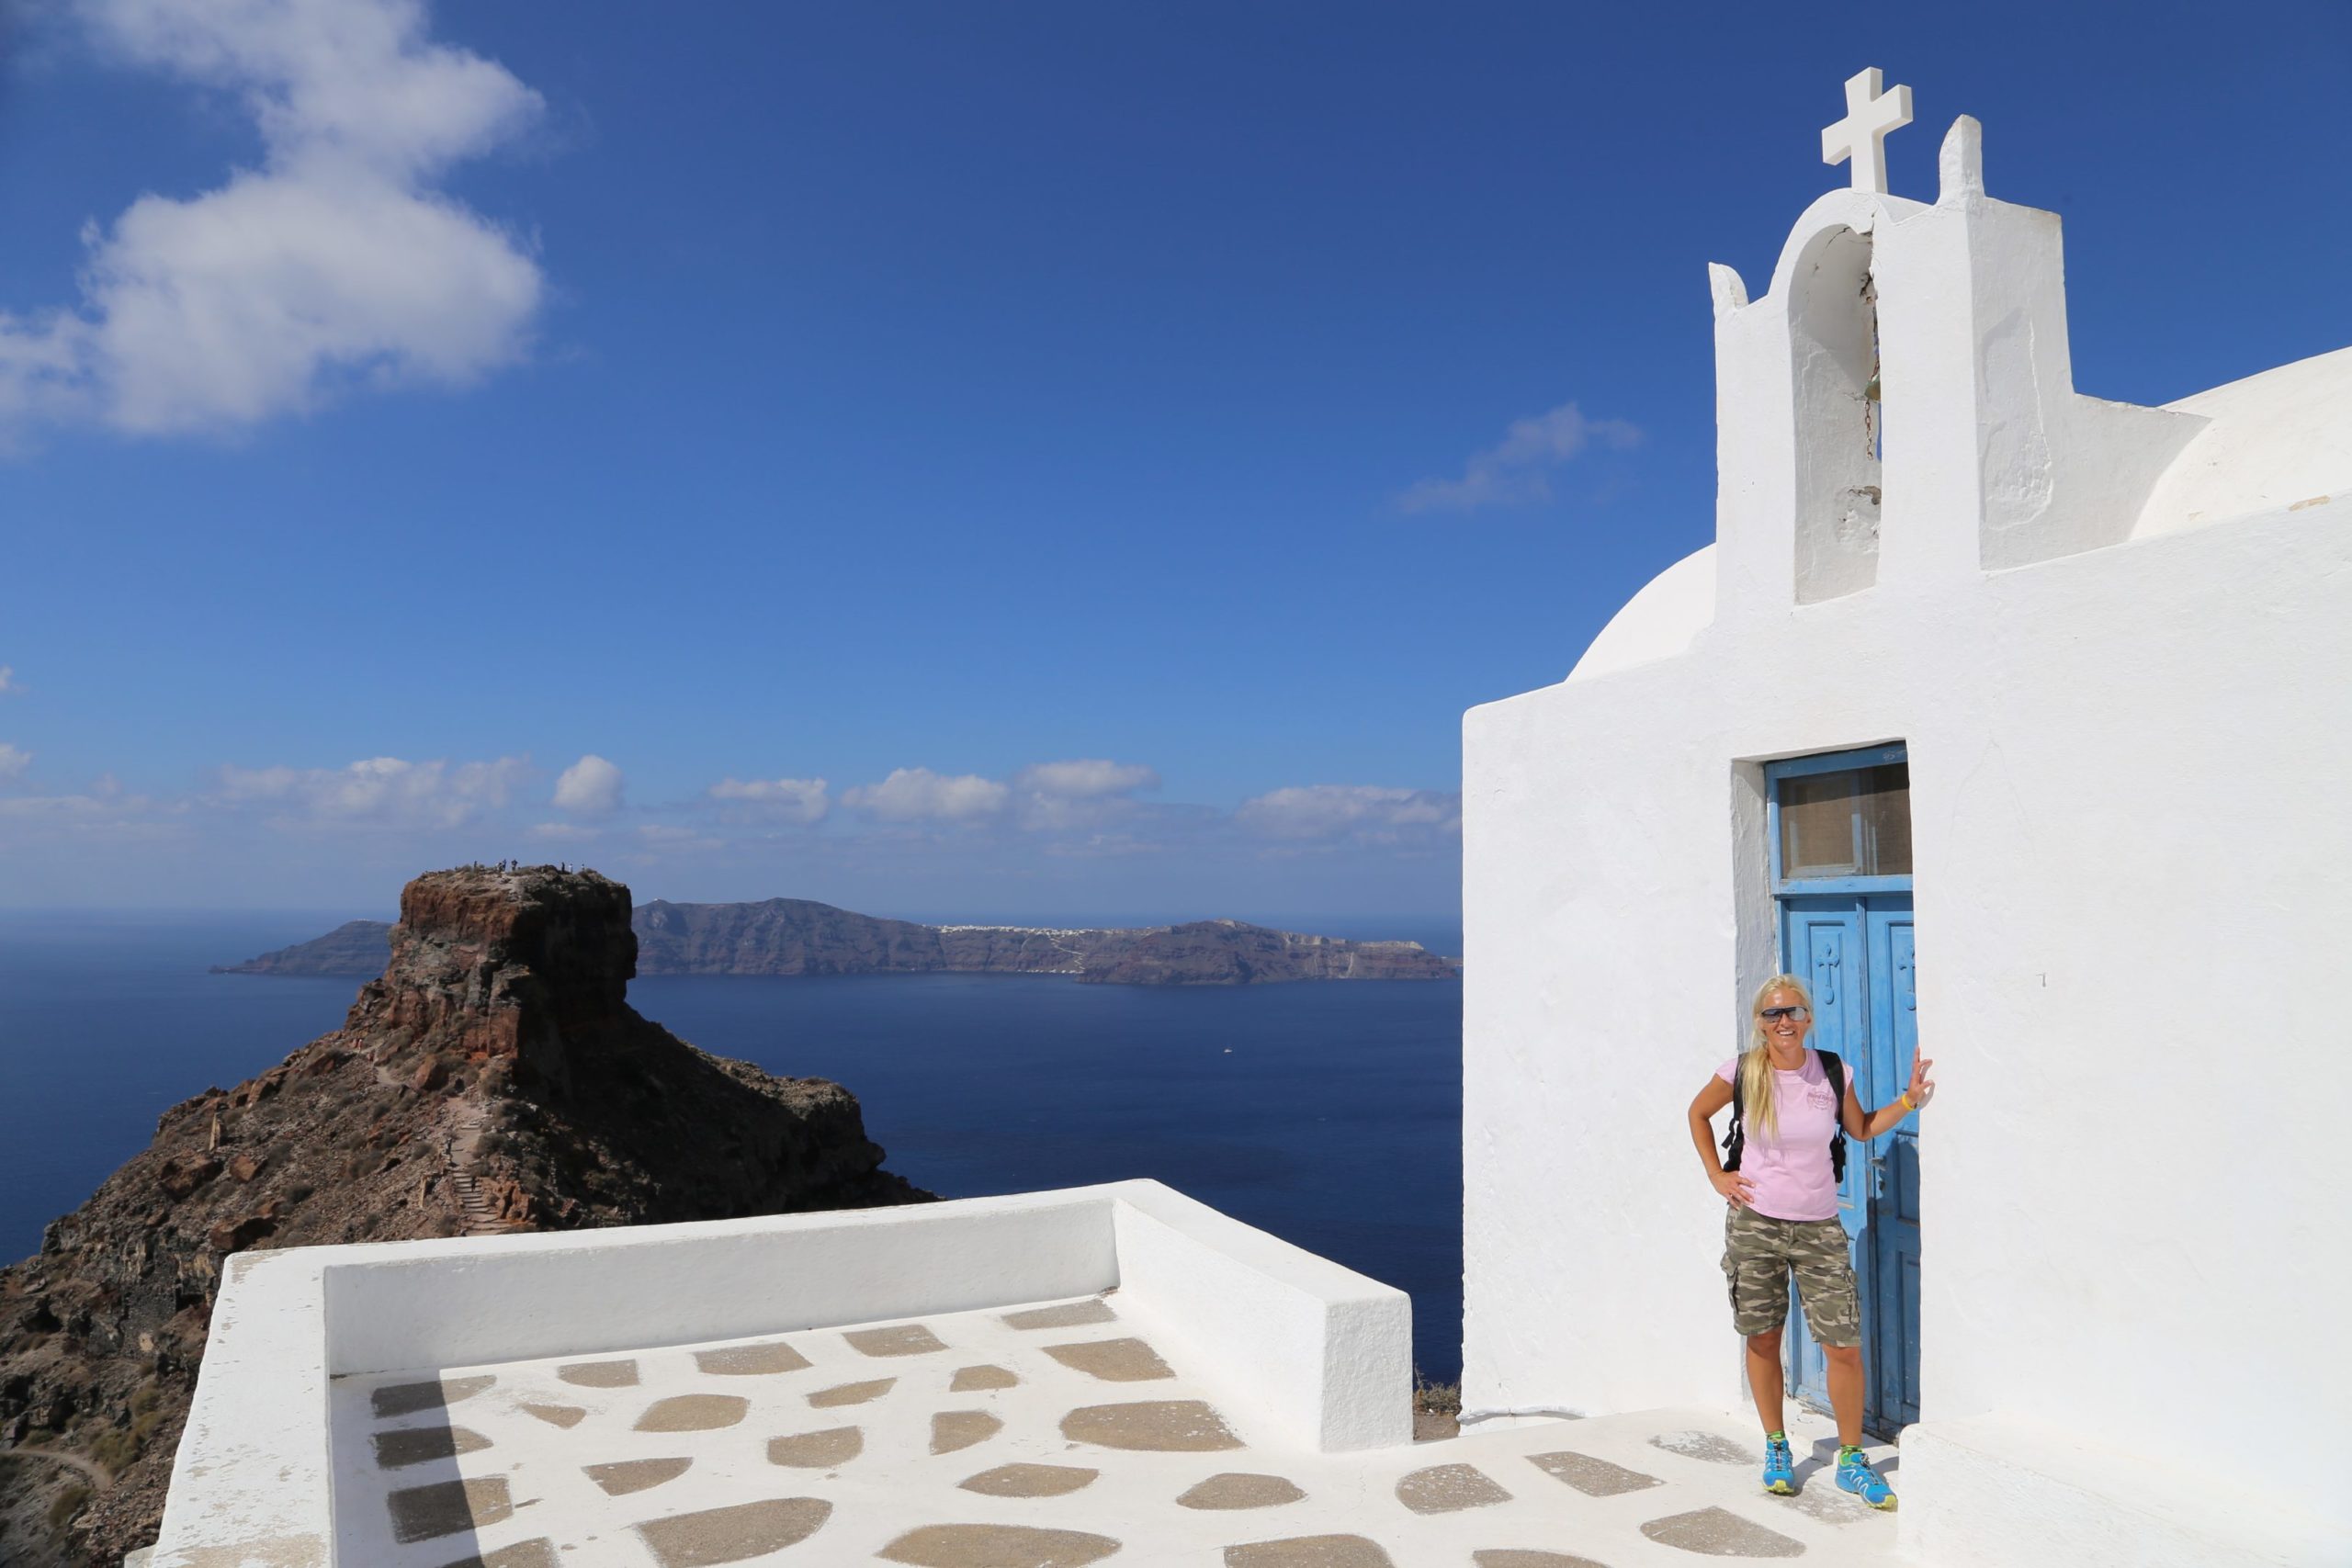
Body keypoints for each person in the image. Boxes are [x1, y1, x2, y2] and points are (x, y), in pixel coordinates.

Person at [1685, 973, 1934, 1509]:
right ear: (1760, 1022)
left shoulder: (1831, 1070)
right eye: (1773, 1013)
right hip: (1755, 1225)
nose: (1784, 1022)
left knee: (1842, 1345)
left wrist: (1909, 1101)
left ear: (1807, 1018)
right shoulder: (1744, 1071)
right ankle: (1776, 1445)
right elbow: (1697, 1114)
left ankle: (1851, 1459)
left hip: (1819, 1226)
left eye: (1793, 1011)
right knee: (1763, 1338)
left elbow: (1863, 1128)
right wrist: (1716, 1175)